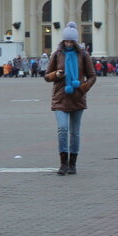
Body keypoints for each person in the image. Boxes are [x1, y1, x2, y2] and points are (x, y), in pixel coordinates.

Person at [44, 22, 97, 176]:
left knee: (74, 132)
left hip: (77, 97)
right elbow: (47, 76)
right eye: (66, 41)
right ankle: (63, 163)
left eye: (71, 41)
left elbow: (92, 76)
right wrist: (57, 75)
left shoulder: (83, 55)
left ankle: (72, 163)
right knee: (62, 129)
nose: (68, 43)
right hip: (60, 97)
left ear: (75, 41)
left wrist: (83, 87)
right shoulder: (57, 54)